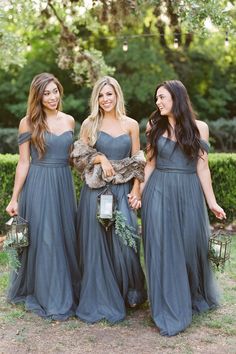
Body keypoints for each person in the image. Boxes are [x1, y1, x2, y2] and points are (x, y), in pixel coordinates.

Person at [139, 80, 226, 336]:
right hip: (159, 191)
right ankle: (166, 303)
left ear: (177, 97)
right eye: (156, 98)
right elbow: (150, 164)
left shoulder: (200, 128)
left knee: (190, 245)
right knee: (163, 248)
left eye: (162, 97)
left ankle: (190, 295)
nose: (158, 102)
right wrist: (139, 194)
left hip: (189, 193)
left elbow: (202, 167)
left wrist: (211, 202)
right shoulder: (153, 126)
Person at [71, 76, 146, 323]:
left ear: (117, 95)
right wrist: (100, 158)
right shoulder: (89, 124)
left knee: (126, 243)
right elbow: (79, 158)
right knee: (97, 245)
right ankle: (101, 295)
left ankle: (129, 292)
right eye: (101, 95)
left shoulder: (131, 125)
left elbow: (138, 162)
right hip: (96, 193)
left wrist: (136, 190)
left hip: (122, 191)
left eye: (109, 94)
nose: (105, 99)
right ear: (96, 98)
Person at [6, 72, 80, 320]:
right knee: (46, 239)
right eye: (46, 93)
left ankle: (66, 288)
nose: (52, 97)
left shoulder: (70, 121)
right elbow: (23, 162)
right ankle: (50, 296)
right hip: (38, 184)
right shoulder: (27, 122)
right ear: (37, 96)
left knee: (63, 236)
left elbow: (72, 158)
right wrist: (14, 198)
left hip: (63, 184)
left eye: (55, 91)